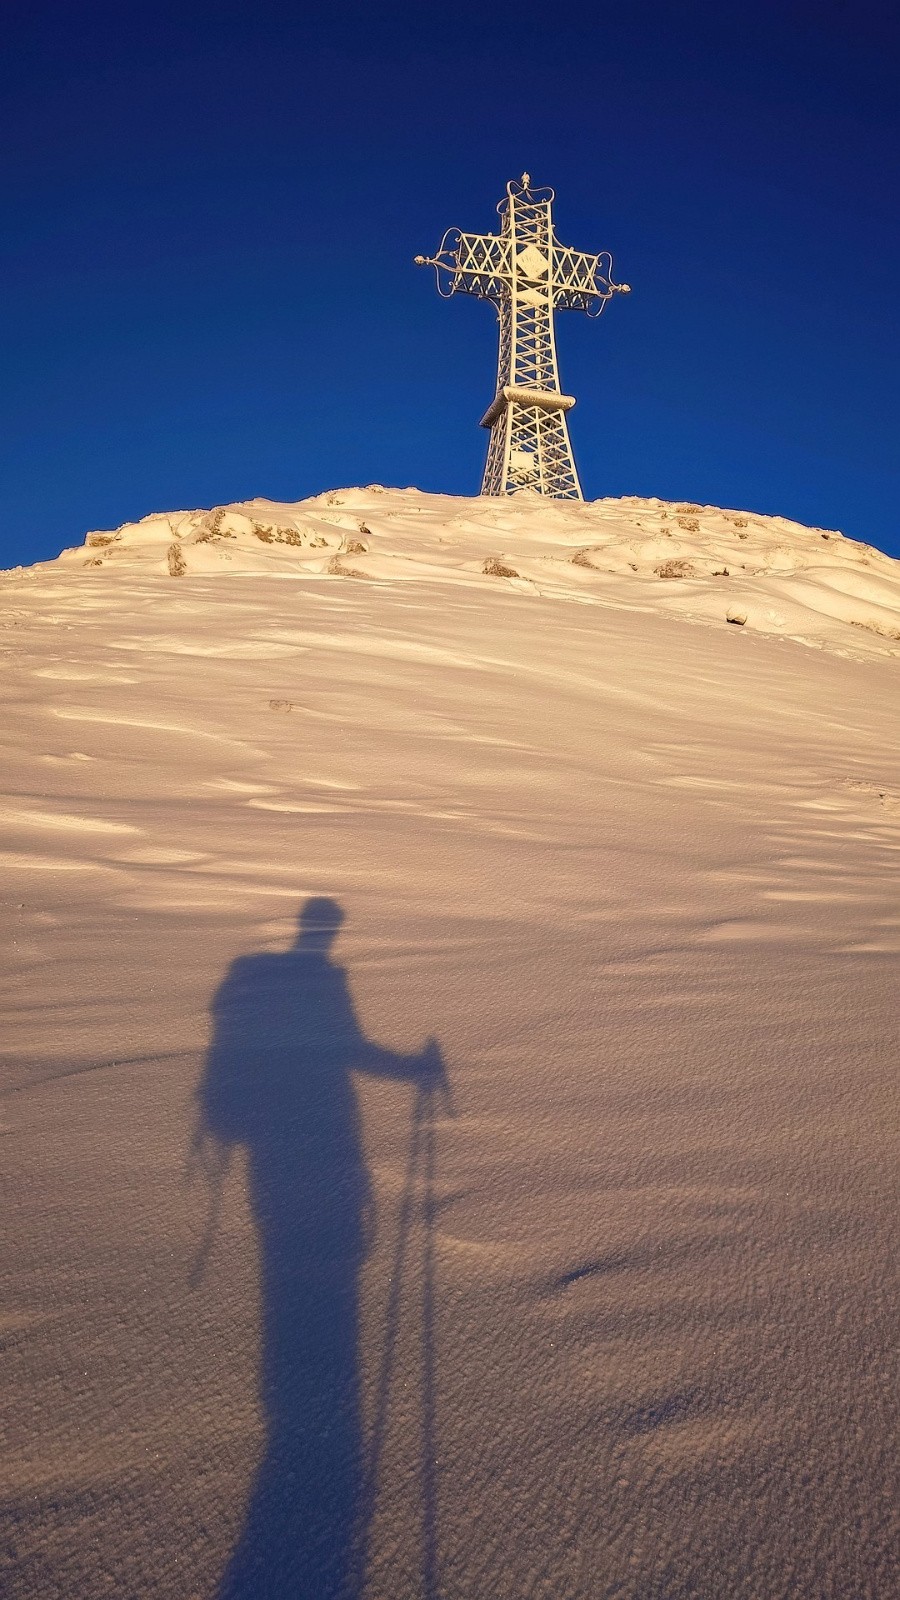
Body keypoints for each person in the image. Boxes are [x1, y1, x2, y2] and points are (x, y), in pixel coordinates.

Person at [194, 896, 445, 1599]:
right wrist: (418, 1068)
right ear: (327, 931)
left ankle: (293, 1393)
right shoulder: (324, 985)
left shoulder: (257, 990)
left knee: (286, 1269)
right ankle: (321, 1408)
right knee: (329, 1277)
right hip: (330, 1152)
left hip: (272, 1160)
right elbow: (351, 1052)